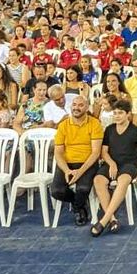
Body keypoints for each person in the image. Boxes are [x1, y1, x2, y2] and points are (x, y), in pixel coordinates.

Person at [50, 91, 103, 226]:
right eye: (74, 105)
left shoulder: (95, 124)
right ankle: (79, 204)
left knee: (83, 189)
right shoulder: (63, 125)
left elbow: (96, 153)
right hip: (67, 163)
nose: (76, 108)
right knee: (56, 191)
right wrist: (67, 170)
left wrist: (80, 172)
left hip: (87, 162)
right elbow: (58, 153)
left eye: (80, 105)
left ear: (87, 107)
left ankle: (78, 209)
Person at [90, 99, 137, 237]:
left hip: (129, 165)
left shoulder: (134, 131)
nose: (117, 116)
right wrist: (112, 163)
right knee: (98, 180)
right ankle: (112, 219)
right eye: (115, 113)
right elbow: (104, 152)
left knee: (123, 180)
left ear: (128, 114)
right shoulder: (109, 129)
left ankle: (103, 221)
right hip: (111, 163)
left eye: (120, 113)